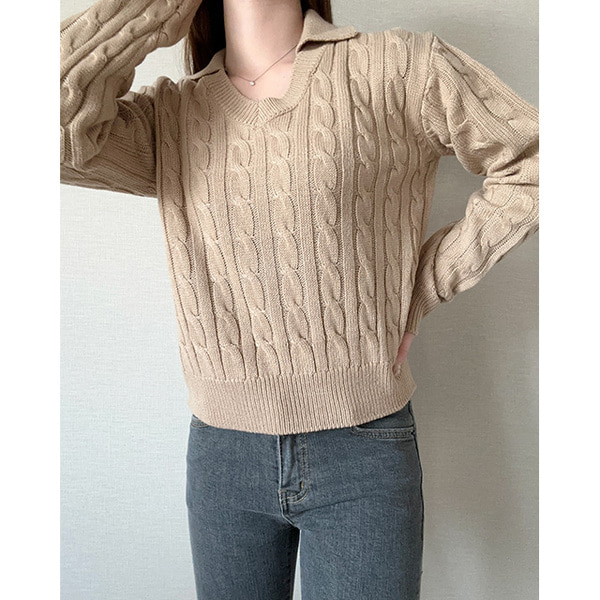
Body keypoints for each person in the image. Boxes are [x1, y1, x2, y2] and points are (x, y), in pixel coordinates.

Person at [60, 0, 539, 598]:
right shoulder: (173, 116)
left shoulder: (398, 68)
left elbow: (537, 160)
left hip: (363, 447)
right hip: (223, 455)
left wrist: (420, 285)